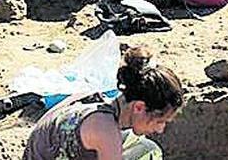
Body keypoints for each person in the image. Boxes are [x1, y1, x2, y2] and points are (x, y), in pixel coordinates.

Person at [24, 45, 183, 160]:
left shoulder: (98, 100)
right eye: (159, 121)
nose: (160, 129)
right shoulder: (105, 130)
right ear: (139, 107)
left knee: (146, 148)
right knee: (149, 154)